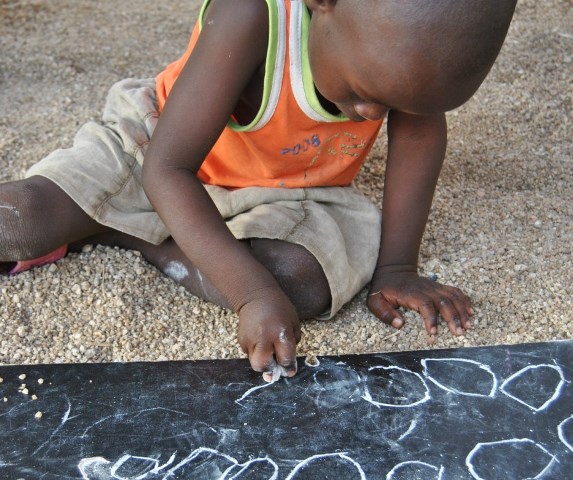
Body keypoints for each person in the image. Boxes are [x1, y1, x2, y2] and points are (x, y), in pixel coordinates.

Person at [0, 0, 517, 381]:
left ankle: (128, 234)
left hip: (295, 188)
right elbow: (168, 168)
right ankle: (116, 221)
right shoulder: (252, 17)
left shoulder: (407, 53)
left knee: (300, 286)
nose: (374, 117)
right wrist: (251, 294)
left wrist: (397, 269)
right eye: (363, 93)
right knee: (18, 220)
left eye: (394, 105)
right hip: (159, 150)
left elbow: (420, 134)